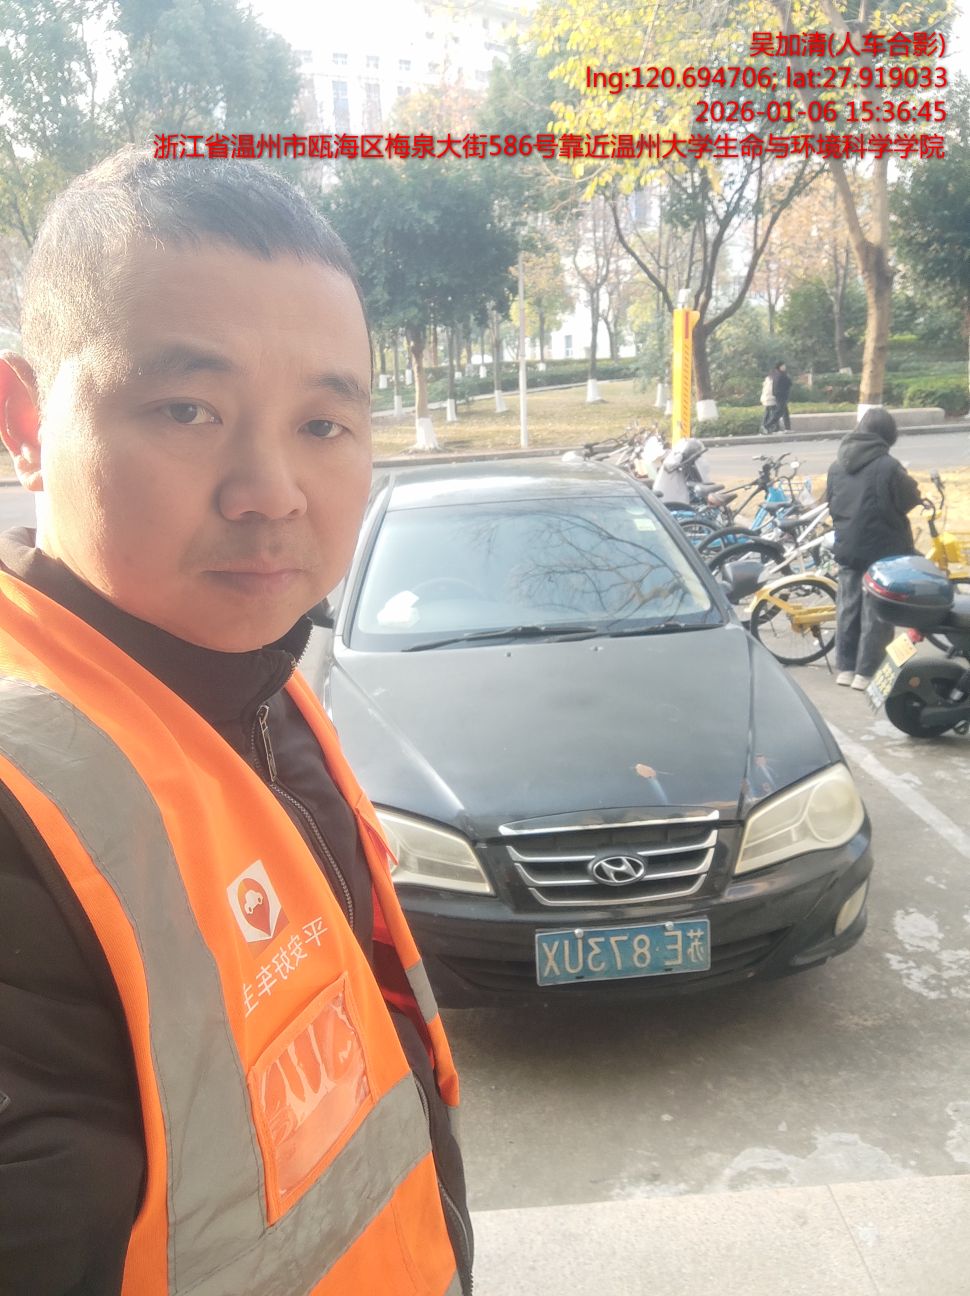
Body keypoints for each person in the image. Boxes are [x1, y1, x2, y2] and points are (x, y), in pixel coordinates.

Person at [0, 148, 472, 1295]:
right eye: (189, 410)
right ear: (23, 418)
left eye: (323, 424)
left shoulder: (257, 687)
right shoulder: (25, 802)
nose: (271, 491)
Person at [826, 408, 922, 689]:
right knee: (877, 612)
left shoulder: (837, 465)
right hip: (883, 549)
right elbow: (908, 499)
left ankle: (845, 668)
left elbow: (831, 503)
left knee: (848, 607)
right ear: (888, 434)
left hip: (847, 546)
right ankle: (866, 673)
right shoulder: (889, 466)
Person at [770, 361, 792, 432]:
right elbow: (788, 383)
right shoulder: (780, 375)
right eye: (783, 366)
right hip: (781, 396)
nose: (785, 367)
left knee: (784, 412)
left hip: (780, 395)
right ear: (780, 367)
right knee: (779, 412)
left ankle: (787, 428)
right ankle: (768, 425)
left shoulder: (777, 374)